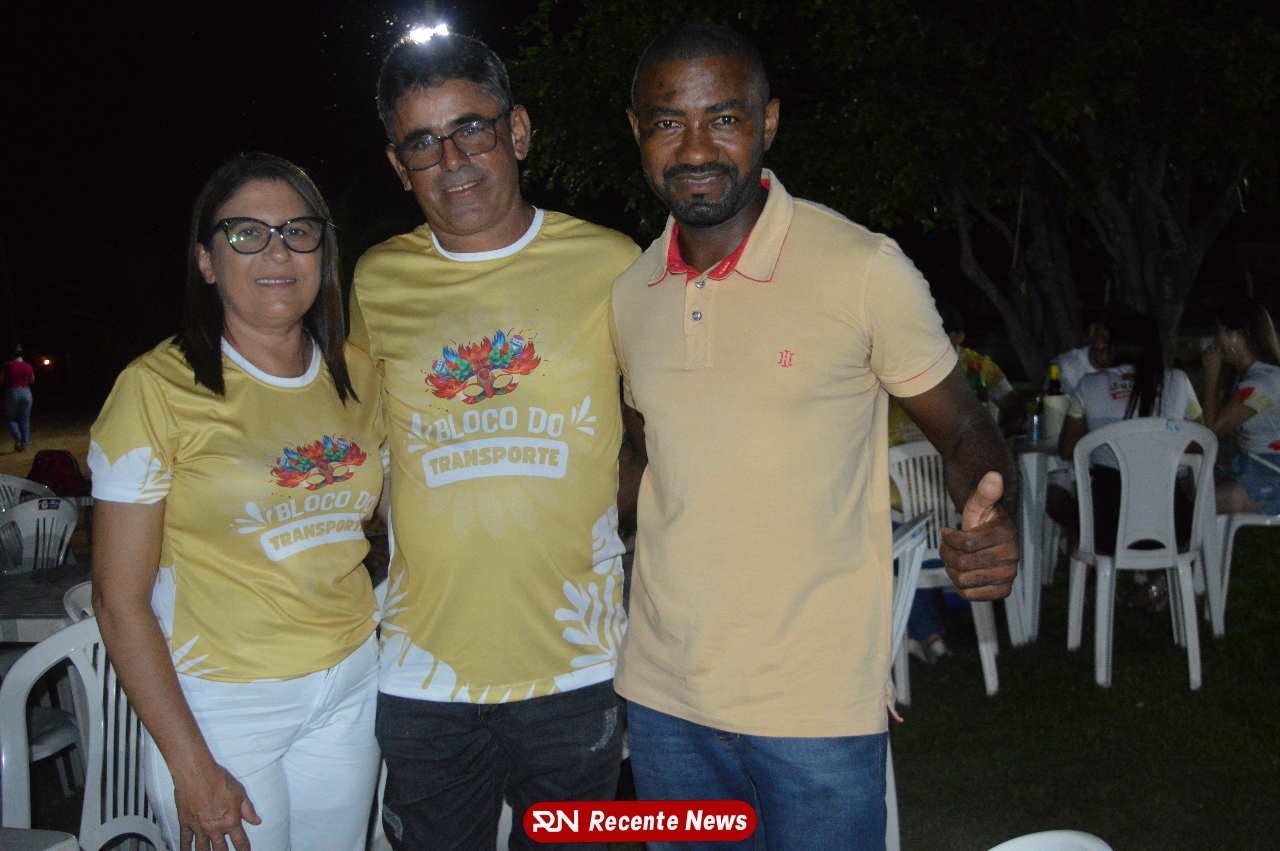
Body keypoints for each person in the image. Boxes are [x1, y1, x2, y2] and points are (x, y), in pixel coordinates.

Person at [611, 23, 1019, 850]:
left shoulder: (861, 267)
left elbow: (965, 427)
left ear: (767, 123)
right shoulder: (629, 293)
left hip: (815, 710)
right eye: (668, 122)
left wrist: (992, 510)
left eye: (725, 118)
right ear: (637, 132)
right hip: (662, 700)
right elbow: (645, 455)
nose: (695, 148)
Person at [350, 33, 640, 851]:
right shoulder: (374, 279)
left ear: (517, 130)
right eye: (422, 143)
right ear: (398, 163)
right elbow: (349, 435)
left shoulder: (611, 263)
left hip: (580, 662)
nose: (452, 160)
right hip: (423, 669)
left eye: (471, 129)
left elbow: (665, 436)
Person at [89, 153, 386, 851]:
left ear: (323, 250)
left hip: (349, 682)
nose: (277, 252)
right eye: (246, 233)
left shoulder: (359, 374)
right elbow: (118, 600)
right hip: (223, 705)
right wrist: (190, 765)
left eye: (297, 231)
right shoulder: (155, 389)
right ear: (205, 259)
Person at [1056, 313, 1201, 610]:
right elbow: (1201, 440)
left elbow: (1068, 448)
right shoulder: (1178, 381)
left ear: (1116, 346)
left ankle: (1085, 598)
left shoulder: (1088, 386)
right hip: (1173, 524)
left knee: (1067, 499)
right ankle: (1158, 588)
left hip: (1106, 527)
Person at [1201, 298, 1280, 515]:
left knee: (1200, 503)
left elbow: (1212, 429)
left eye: (1219, 332)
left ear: (1238, 337)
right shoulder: (1251, 377)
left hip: (1272, 473)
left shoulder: (1261, 384)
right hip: (1255, 466)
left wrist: (1211, 375)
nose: (1215, 340)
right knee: (1185, 487)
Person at [938, 303, 1024, 434]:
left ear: (960, 337)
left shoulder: (978, 365)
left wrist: (998, 434)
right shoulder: (910, 362)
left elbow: (1014, 407)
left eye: (942, 335)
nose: (933, 342)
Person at [1051, 311, 1113, 396]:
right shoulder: (1065, 366)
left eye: (1114, 343)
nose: (1107, 349)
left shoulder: (1124, 371)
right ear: (1093, 331)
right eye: (1104, 340)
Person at [4, 346, 34, 452]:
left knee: (11, 418)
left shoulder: (8, 365)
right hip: (26, 392)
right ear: (23, 355)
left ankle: (17, 435)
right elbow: (32, 380)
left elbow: (1, 379)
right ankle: (23, 445)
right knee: (25, 419)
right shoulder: (28, 366)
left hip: (12, 391)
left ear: (12, 355)